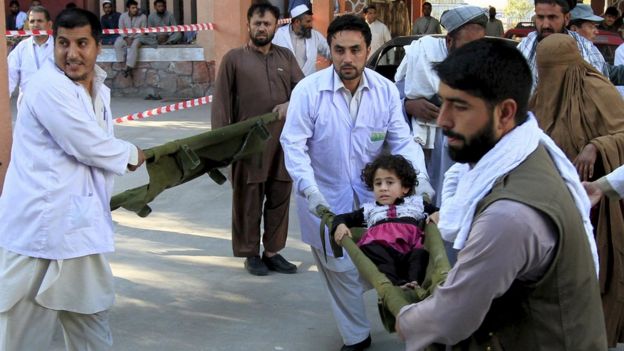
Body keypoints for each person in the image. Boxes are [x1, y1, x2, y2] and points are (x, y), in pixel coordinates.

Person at [396, 37, 605, 351]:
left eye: (460, 106)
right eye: (443, 102)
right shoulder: (531, 150)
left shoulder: (509, 215)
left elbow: (449, 318)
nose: (442, 120)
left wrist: (404, 317)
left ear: (506, 113)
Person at [281, 14, 433, 351]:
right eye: (339, 50)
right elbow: (293, 145)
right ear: (330, 51)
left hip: (374, 199)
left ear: (367, 50)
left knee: (388, 261)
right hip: (325, 197)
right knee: (341, 271)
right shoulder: (308, 92)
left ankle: (400, 318)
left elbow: (402, 141)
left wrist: (420, 182)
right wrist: (310, 190)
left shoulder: (385, 91)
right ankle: (357, 337)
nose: (347, 59)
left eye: (355, 50)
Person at [0, 8, 145, 350]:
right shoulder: (46, 86)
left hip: (79, 231)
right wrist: (134, 155)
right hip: (36, 233)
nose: (72, 53)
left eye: (82, 43)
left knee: (91, 325)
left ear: (98, 46)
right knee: (22, 335)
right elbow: (87, 144)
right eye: (63, 43)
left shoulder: (99, 86)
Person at [529, 33, 624, 347]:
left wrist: (597, 147)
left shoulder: (598, 89)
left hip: (595, 205)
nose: (549, 79)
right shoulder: (541, 94)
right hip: (552, 203)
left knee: (592, 278)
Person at [211, 2, 303, 277]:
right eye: (257, 23)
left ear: (276, 26)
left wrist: (290, 103)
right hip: (247, 146)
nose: (262, 28)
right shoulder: (234, 59)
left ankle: (273, 252)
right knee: (248, 201)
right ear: (249, 25)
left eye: (267, 24)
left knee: (279, 196)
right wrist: (222, 150)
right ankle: (250, 253)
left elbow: (304, 90)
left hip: (282, 144)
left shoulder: (286, 57)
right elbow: (221, 106)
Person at [395, 5, 487, 207]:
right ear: (450, 40)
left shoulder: (483, 68)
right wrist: (409, 106)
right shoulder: (421, 55)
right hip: (424, 148)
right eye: (469, 45)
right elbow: (392, 102)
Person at [332, 154, 429, 289]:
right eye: (378, 183)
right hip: (382, 252)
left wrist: (436, 214)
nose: (383, 188)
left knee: (420, 255)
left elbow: (437, 211)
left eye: (389, 182)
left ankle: (414, 283)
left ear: (405, 188)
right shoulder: (369, 209)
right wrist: (341, 225)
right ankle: (396, 285)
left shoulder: (416, 204)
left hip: (409, 249)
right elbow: (342, 218)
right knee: (372, 251)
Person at [517, 0, 608, 92]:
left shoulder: (588, 50)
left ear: (567, 18)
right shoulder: (525, 46)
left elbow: (598, 94)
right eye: (540, 17)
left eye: (552, 17)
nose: (545, 25)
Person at [7, 5, 54, 105]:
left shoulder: (59, 47)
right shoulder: (21, 48)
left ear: (49, 24)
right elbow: (9, 77)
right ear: (28, 24)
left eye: (40, 21)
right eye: (32, 21)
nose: (35, 24)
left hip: (53, 105)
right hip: (26, 107)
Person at [272, 3, 330, 76]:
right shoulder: (279, 35)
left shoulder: (315, 35)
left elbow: (329, 51)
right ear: (297, 22)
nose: (311, 25)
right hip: (286, 83)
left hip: (308, 83)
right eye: (308, 21)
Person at [113, 0, 147, 78]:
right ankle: (122, 66)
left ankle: (128, 67)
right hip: (125, 37)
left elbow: (143, 31)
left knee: (134, 46)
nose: (135, 9)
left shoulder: (143, 16)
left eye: (136, 7)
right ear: (128, 8)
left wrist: (133, 38)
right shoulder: (123, 16)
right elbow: (120, 28)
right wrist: (125, 37)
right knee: (117, 44)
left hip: (138, 37)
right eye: (133, 8)